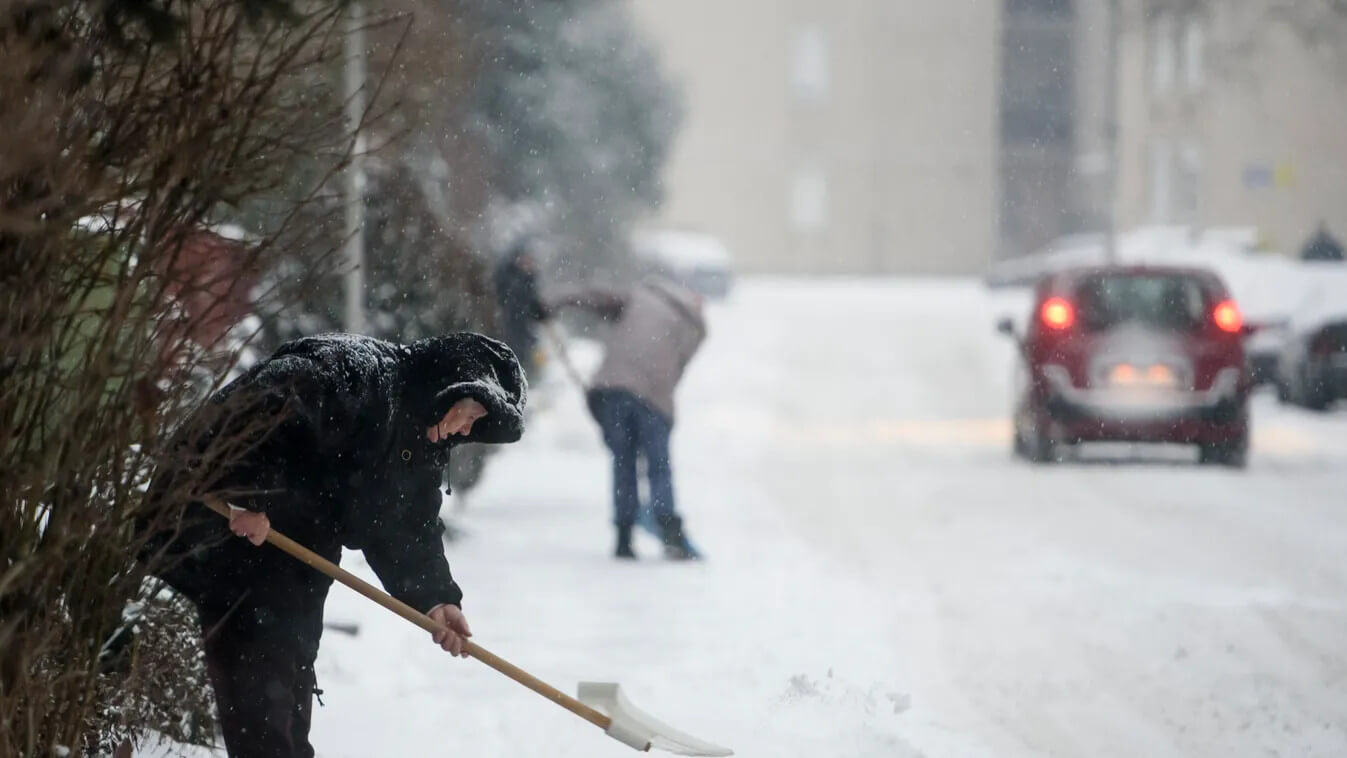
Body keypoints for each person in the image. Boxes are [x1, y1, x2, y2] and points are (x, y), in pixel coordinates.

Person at [142, 332, 526, 758]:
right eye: (468, 413)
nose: (467, 429)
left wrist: (436, 599)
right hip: (228, 529)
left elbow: (408, 526)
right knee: (261, 699)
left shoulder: (422, 441)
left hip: (297, 550)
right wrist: (246, 495)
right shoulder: (355, 373)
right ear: (448, 387)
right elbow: (259, 409)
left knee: (288, 685)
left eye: (476, 422)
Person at [548, 276, 706, 560]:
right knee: (658, 466)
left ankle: (623, 537)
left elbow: (596, 297)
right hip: (653, 399)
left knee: (624, 462)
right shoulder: (694, 326)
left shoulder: (640, 296)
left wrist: (555, 301)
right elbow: (676, 369)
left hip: (613, 390)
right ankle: (668, 528)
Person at [493, 242, 550, 379]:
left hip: (526, 332)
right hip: (512, 329)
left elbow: (532, 303)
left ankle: (531, 379)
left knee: (532, 355)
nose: (529, 263)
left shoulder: (528, 280)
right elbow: (514, 304)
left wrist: (539, 311)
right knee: (517, 358)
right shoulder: (511, 279)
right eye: (526, 259)